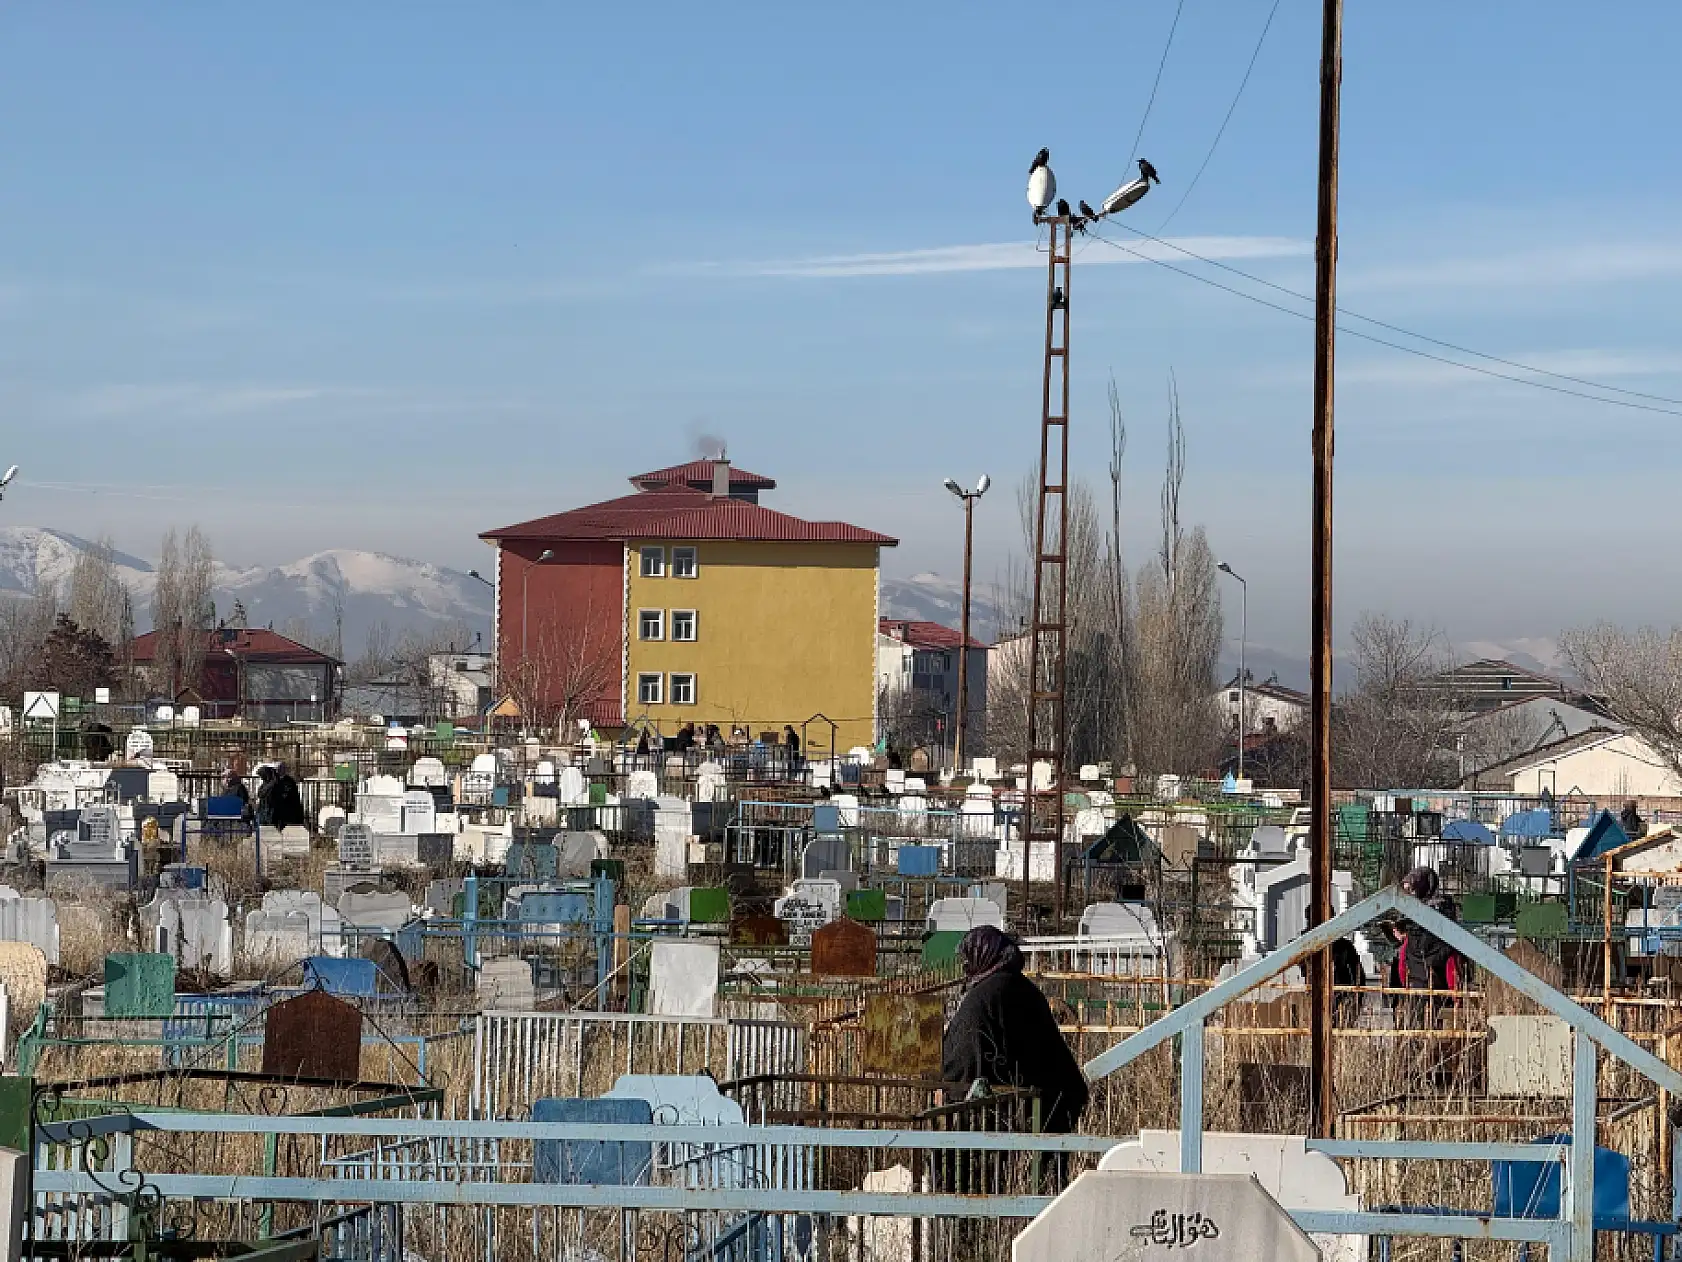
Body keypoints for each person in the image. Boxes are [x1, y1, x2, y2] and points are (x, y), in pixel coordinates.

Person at [942, 925, 1089, 1134]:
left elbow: (963, 1057)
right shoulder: (1022, 988)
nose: (965, 966)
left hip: (1007, 1114)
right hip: (1049, 1104)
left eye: (967, 958)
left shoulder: (984, 997)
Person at [261, 763, 306, 831]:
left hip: (286, 812)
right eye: (277, 769)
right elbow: (262, 793)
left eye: (280, 769)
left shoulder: (289, 781)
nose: (278, 771)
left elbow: (294, 797)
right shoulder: (271, 781)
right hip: (273, 812)